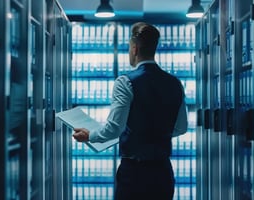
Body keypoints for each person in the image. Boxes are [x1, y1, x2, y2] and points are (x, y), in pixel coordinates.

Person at [73, 22, 188, 200]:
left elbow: (114, 129)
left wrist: (90, 135)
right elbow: (181, 128)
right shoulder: (175, 83)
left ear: (134, 48)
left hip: (134, 174)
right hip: (163, 172)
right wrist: (155, 136)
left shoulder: (125, 82)